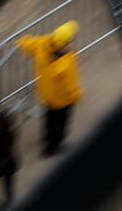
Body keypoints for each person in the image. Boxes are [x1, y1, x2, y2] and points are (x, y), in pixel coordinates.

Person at [16, 21, 83, 155]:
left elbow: (28, 44)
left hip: (46, 95)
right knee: (59, 124)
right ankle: (53, 147)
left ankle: (47, 139)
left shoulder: (42, 44)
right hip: (62, 100)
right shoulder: (66, 62)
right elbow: (70, 85)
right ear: (67, 42)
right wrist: (76, 96)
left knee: (49, 120)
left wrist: (20, 41)